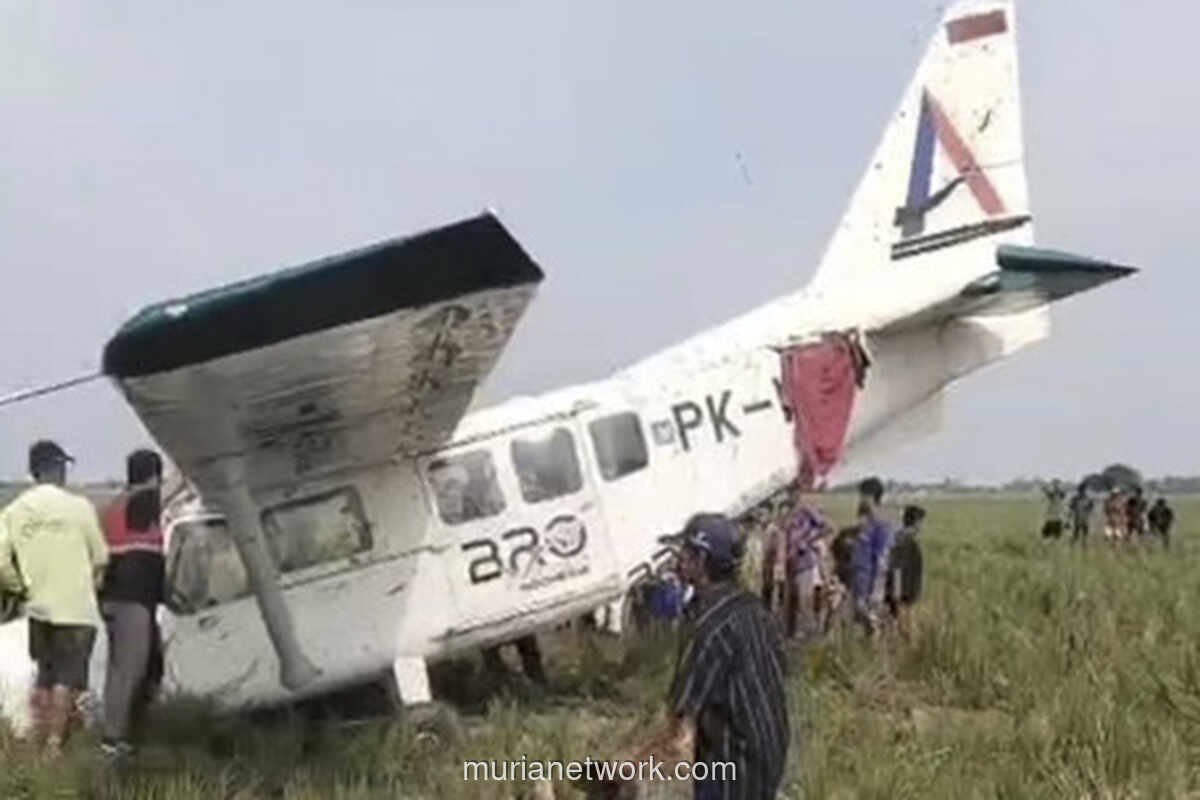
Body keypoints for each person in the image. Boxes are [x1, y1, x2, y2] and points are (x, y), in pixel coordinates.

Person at [609, 513, 788, 799]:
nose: (679, 559)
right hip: (771, 754)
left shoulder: (709, 626)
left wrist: (628, 767)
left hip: (733, 768)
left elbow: (678, 737)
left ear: (701, 561)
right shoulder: (753, 609)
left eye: (685, 553)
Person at [0, 440, 108, 755]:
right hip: (74, 605)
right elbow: (100, 556)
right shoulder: (80, 507)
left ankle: (40, 732)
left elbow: (1, 561)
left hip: (37, 606)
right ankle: (54, 744)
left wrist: (19, 586)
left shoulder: (14, 511)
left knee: (46, 673)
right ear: (58, 468)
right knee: (68, 676)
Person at [98, 449, 167, 757]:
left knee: (127, 667)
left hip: (113, 597)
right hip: (134, 598)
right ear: (154, 476)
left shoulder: (114, 506)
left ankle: (124, 734)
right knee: (131, 669)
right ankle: (113, 740)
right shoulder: (146, 503)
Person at [761, 503, 832, 639]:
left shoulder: (806, 518)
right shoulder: (784, 527)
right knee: (789, 601)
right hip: (789, 567)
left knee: (804, 599)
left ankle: (805, 633)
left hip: (803, 565)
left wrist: (808, 541)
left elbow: (827, 528)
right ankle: (790, 633)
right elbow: (780, 547)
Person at [849, 477, 895, 637]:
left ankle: (877, 656)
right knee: (859, 625)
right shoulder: (865, 523)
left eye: (862, 496)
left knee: (872, 625)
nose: (860, 500)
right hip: (858, 581)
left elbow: (882, 558)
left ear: (870, 496)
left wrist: (876, 590)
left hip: (871, 583)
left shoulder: (882, 524)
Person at [885, 505, 925, 639]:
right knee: (902, 628)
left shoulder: (900, 538)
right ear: (916, 522)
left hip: (904, 592)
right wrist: (896, 595)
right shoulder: (904, 541)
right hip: (903, 593)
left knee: (897, 626)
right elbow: (896, 567)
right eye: (920, 521)